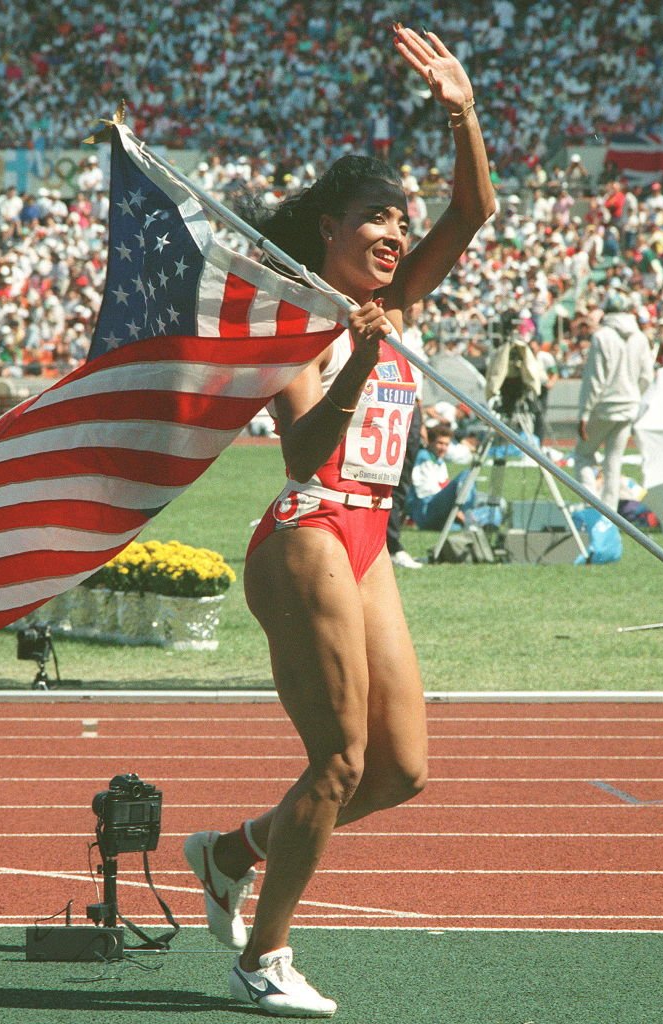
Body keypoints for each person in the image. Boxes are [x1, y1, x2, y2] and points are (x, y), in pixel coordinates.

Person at [183, 24, 494, 1018]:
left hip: (371, 538)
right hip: (309, 528)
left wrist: (462, 111)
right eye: (376, 217)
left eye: (402, 221)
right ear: (326, 227)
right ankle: (261, 958)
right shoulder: (299, 317)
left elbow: (473, 209)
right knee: (340, 761)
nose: (398, 233)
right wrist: (357, 358)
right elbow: (303, 451)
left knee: (400, 769)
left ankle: (229, 853)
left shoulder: (401, 300)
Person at [574, 286, 655, 512]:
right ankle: (609, 515)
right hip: (628, 406)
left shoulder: (602, 336)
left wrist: (583, 413)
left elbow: (594, 380)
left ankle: (591, 506)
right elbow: (647, 376)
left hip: (603, 406)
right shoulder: (639, 337)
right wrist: (633, 395)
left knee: (583, 455)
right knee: (613, 462)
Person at [386, 299, 427, 569]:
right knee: (388, 478)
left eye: (419, 303)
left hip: (413, 406)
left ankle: (392, 542)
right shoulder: (393, 328)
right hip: (394, 404)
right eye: (410, 302)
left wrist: (421, 417)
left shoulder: (417, 334)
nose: (414, 308)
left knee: (403, 480)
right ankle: (388, 543)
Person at [407, 423, 476, 530]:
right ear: (430, 442)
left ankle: (472, 519)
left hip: (437, 510)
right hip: (426, 510)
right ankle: (467, 515)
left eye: (446, 444)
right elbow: (425, 492)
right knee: (467, 475)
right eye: (440, 443)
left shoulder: (439, 460)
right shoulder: (423, 457)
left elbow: (444, 483)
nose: (443, 448)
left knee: (491, 504)